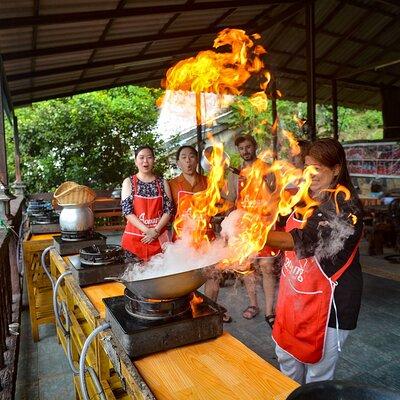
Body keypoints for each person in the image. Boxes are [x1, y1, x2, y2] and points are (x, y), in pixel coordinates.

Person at [264, 138, 363, 384]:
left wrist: (251, 235)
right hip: (294, 299)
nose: (311, 174)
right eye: (308, 166)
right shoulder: (305, 197)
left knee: (318, 375)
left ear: (337, 169)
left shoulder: (346, 207)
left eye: (318, 167)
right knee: (286, 361)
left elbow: (301, 241)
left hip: (329, 307)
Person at [169, 145, 232, 322]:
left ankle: (210, 309)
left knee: (213, 275)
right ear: (178, 163)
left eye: (191, 157)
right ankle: (188, 312)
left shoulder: (208, 182)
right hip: (183, 241)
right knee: (185, 281)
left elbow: (222, 204)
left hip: (207, 237)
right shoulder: (172, 184)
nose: (188, 161)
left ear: (197, 160)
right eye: (183, 157)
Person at [226, 134, 278, 327]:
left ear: (255, 147)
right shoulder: (233, 173)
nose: (245, 151)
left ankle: (269, 310)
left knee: (267, 267)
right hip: (244, 227)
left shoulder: (267, 169)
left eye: (248, 147)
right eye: (241, 148)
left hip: (264, 225)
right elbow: (231, 199)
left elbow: (276, 196)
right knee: (248, 268)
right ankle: (253, 304)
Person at [121, 146, 174, 262]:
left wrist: (155, 231)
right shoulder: (129, 182)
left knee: (161, 275)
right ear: (135, 161)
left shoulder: (162, 182)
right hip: (134, 241)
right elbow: (127, 211)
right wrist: (148, 231)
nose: (145, 161)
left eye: (149, 157)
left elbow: (169, 210)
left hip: (159, 240)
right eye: (141, 158)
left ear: (154, 160)